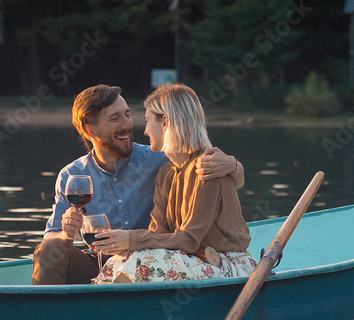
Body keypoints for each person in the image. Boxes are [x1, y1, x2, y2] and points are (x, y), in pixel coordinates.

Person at [32, 84, 245, 285]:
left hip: (151, 256)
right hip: (108, 260)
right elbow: (53, 234)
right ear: (90, 130)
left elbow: (206, 173)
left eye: (127, 115)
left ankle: (110, 307)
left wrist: (234, 165)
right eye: (115, 118)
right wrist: (67, 234)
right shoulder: (73, 175)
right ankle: (46, 314)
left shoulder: (160, 158)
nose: (129, 125)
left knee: (139, 264)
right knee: (49, 249)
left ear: (165, 123)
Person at [92, 83, 256, 283]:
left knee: (144, 263)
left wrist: (132, 239)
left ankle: (119, 310)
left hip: (226, 263)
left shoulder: (208, 167)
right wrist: (127, 244)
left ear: (165, 122)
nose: (145, 131)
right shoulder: (166, 173)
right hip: (191, 260)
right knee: (118, 262)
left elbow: (189, 238)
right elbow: (158, 232)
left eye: (147, 121)